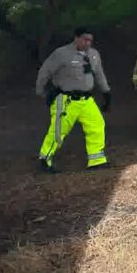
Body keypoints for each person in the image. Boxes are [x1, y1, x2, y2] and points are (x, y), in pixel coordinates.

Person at [35, 27, 113, 173]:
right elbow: (45, 71)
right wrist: (41, 91)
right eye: (85, 39)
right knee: (58, 131)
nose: (88, 43)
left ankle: (96, 160)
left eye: (90, 40)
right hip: (66, 99)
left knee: (97, 125)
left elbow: (99, 74)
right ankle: (45, 159)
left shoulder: (94, 55)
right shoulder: (61, 54)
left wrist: (106, 92)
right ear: (76, 38)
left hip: (86, 99)